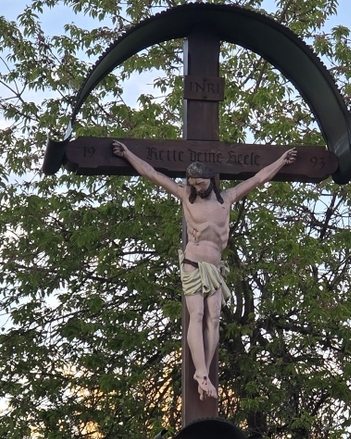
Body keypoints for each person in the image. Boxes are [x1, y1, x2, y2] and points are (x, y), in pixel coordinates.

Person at [111, 140, 296, 399]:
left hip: (215, 267)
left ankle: (204, 372)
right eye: (193, 183)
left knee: (214, 318)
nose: (196, 187)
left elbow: (258, 179)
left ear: (210, 179)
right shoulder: (185, 197)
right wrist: (128, 154)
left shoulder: (227, 197)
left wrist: (282, 161)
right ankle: (200, 373)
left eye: (200, 183)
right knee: (197, 314)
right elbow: (152, 173)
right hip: (192, 263)